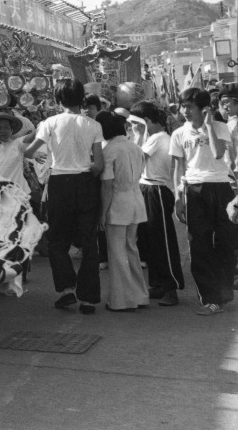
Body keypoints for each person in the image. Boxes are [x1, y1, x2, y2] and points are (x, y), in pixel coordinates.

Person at [25, 79, 104, 315]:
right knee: (89, 240)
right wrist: (87, 167)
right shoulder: (93, 124)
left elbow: (29, 151)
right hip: (85, 182)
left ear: (59, 100)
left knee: (58, 240)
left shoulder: (49, 123)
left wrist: (43, 157)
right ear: (81, 98)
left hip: (59, 183)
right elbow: (98, 164)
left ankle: (66, 290)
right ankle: (88, 299)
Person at [171, 87, 235, 315]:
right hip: (194, 189)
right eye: (183, 106)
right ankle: (210, 298)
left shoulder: (220, 127)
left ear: (204, 108)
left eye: (190, 107)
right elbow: (179, 168)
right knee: (199, 244)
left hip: (221, 187)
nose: (185, 111)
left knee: (228, 241)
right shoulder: (179, 133)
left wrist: (208, 125)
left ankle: (224, 292)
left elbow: (219, 154)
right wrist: (178, 198)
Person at [128, 102, 184, 306]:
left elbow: (135, 158)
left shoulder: (159, 138)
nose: (133, 127)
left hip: (157, 190)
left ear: (147, 122)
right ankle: (158, 284)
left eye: (136, 123)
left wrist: (136, 134)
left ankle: (171, 286)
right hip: (146, 188)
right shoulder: (152, 138)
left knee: (162, 240)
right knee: (149, 240)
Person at [96, 111, 150, 312]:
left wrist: (102, 213)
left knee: (117, 253)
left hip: (118, 203)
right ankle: (140, 295)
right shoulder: (134, 147)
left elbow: (107, 185)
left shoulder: (109, 150)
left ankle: (122, 300)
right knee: (131, 249)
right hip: (136, 199)